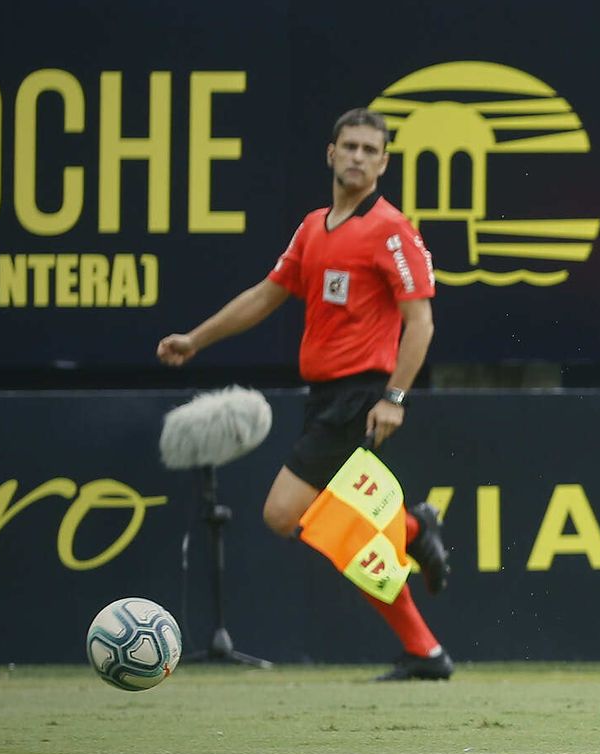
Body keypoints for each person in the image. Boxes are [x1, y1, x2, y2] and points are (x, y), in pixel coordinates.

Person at [157, 108, 454, 682]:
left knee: (282, 514)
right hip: (324, 397)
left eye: (371, 150)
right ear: (331, 153)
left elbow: (421, 324)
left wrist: (394, 396)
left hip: (361, 396)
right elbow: (266, 295)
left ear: (384, 162)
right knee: (347, 531)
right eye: (351, 146)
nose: (359, 157)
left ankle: (416, 543)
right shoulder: (314, 226)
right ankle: (423, 622)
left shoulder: (392, 229)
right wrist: (196, 339)